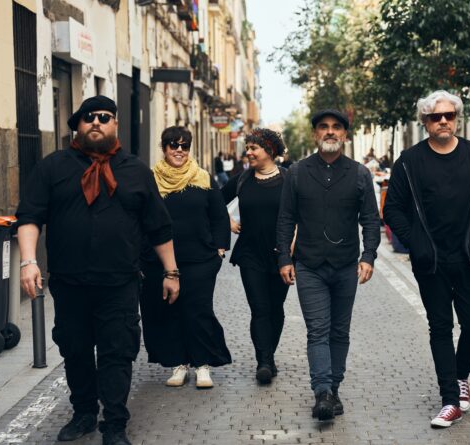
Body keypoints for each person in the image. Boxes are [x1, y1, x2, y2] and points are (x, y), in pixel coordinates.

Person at [16, 95, 179, 445]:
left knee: (116, 352)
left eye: (104, 117)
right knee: (74, 350)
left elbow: (158, 227)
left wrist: (171, 272)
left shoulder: (136, 170)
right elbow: (29, 216)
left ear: (115, 124)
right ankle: (84, 413)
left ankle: (115, 424)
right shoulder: (53, 167)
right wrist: (28, 262)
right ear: (77, 124)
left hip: (119, 282)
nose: (96, 122)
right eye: (88, 117)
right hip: (69, 282)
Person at [383, 90, 470, 428]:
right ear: (425, 121)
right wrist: (416, 243)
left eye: (448, 116)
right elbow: (392, 209)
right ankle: (450, 400)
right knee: (440, 327)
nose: (442, 121)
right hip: (431, 261)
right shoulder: (409, 161)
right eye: (435, 117)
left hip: (469, 257)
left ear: (456, 119)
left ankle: (460, 374)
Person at [276, 109, 381, 421]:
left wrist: (368, 256)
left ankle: (334, 388)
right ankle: (322, 392)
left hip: (346, 265)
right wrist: (284, 258)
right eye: (323, 127)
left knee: (339, 330)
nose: (330, 131)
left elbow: (370, 220)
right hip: (309, 265)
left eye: (336, 127)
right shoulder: (297, 172)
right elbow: (286, 219)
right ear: (315, 134)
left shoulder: (359, 174)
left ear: (345, 135)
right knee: (318, 329)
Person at [140, 126, 232, 389]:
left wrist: (219, 250)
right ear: (164, 148)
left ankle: (202, 364)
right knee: (169, 312)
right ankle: (179, 363)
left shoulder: (202, 178)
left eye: (184, 146)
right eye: (173, 145)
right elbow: (140, 218)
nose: (179, 150)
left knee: (198, 311)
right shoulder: (150, 180)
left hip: (200, 260)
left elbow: (219, 216)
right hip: (160, 262)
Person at [221, 128, 290, 385]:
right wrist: (228, 221)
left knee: (276, 308)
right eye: (247, 148)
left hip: (281, 254)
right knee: (259, 308)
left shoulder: (288, 179)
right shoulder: (242, 179)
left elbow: (302, 213)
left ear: (269, 150)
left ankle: (269, 354)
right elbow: (215, 200)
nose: (248, 152)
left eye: (253, 148)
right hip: (250, 253)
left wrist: (293, 246)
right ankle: (264, 361)